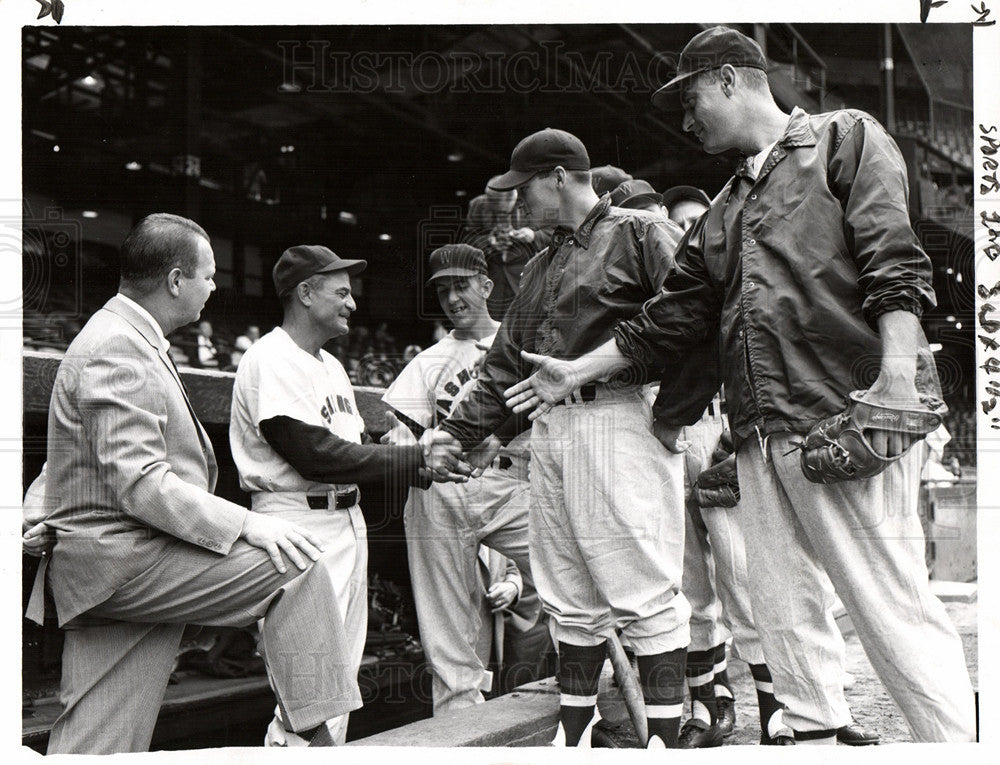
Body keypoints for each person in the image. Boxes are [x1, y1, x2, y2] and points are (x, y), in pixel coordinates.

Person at [504, 26, 976, 743]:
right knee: (785, 622)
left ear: (730, 79)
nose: (687, 120)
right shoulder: (725, 205)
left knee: (889, 606)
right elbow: (666, 322)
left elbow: (894, 262)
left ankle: (959, 744)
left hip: (844, 413)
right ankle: (816, 736)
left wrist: (896, 383)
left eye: (691, 98)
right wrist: (577, 367)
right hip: (760, 433)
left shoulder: (845, 137)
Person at [37, 214, 362, 753]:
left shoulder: (124, 337)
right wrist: (248, 522)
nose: (215, 287)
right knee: (297, 570)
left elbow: (78, 459)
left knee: (98, 742)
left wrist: (37, 512)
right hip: (126, 561)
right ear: (174, 280)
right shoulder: (117, 345)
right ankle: (318, 744)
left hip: (105, 565)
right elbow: (140, 481)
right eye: (208, 276)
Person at [424, 129, 692, 748]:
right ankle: (573, 741)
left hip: (617, 414)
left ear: (558, 176)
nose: (518, 206)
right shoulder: (543, 264)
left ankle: (666, 743)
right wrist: (455, 435)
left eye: (524, 191)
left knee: (644, 590)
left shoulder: (640, 231)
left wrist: (676, 413)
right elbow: (502, 365)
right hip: (553, 426)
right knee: (567, 593)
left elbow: (693, 318)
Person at [229, 244, 447, 745]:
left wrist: (410, 459)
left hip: (344, 521)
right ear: (304, 293)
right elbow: (316, 455)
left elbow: (350, 449)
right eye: (342, 292)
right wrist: (413, 458)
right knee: (309, 685)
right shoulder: (271, 356)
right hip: (297, 524)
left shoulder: (328, 363)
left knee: (339, 680)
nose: (353, 303)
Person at [381, 244, 537, 714]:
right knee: (448, 627)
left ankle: (594, 696)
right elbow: (398, 432)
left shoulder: (521, 344)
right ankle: (458, 727)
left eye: (462, 285)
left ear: (487, 286)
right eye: (443, 288)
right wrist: (404, 445)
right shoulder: (429, 360)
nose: (453, 297)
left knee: (573, 576)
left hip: (515, 481)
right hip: (444, 488)